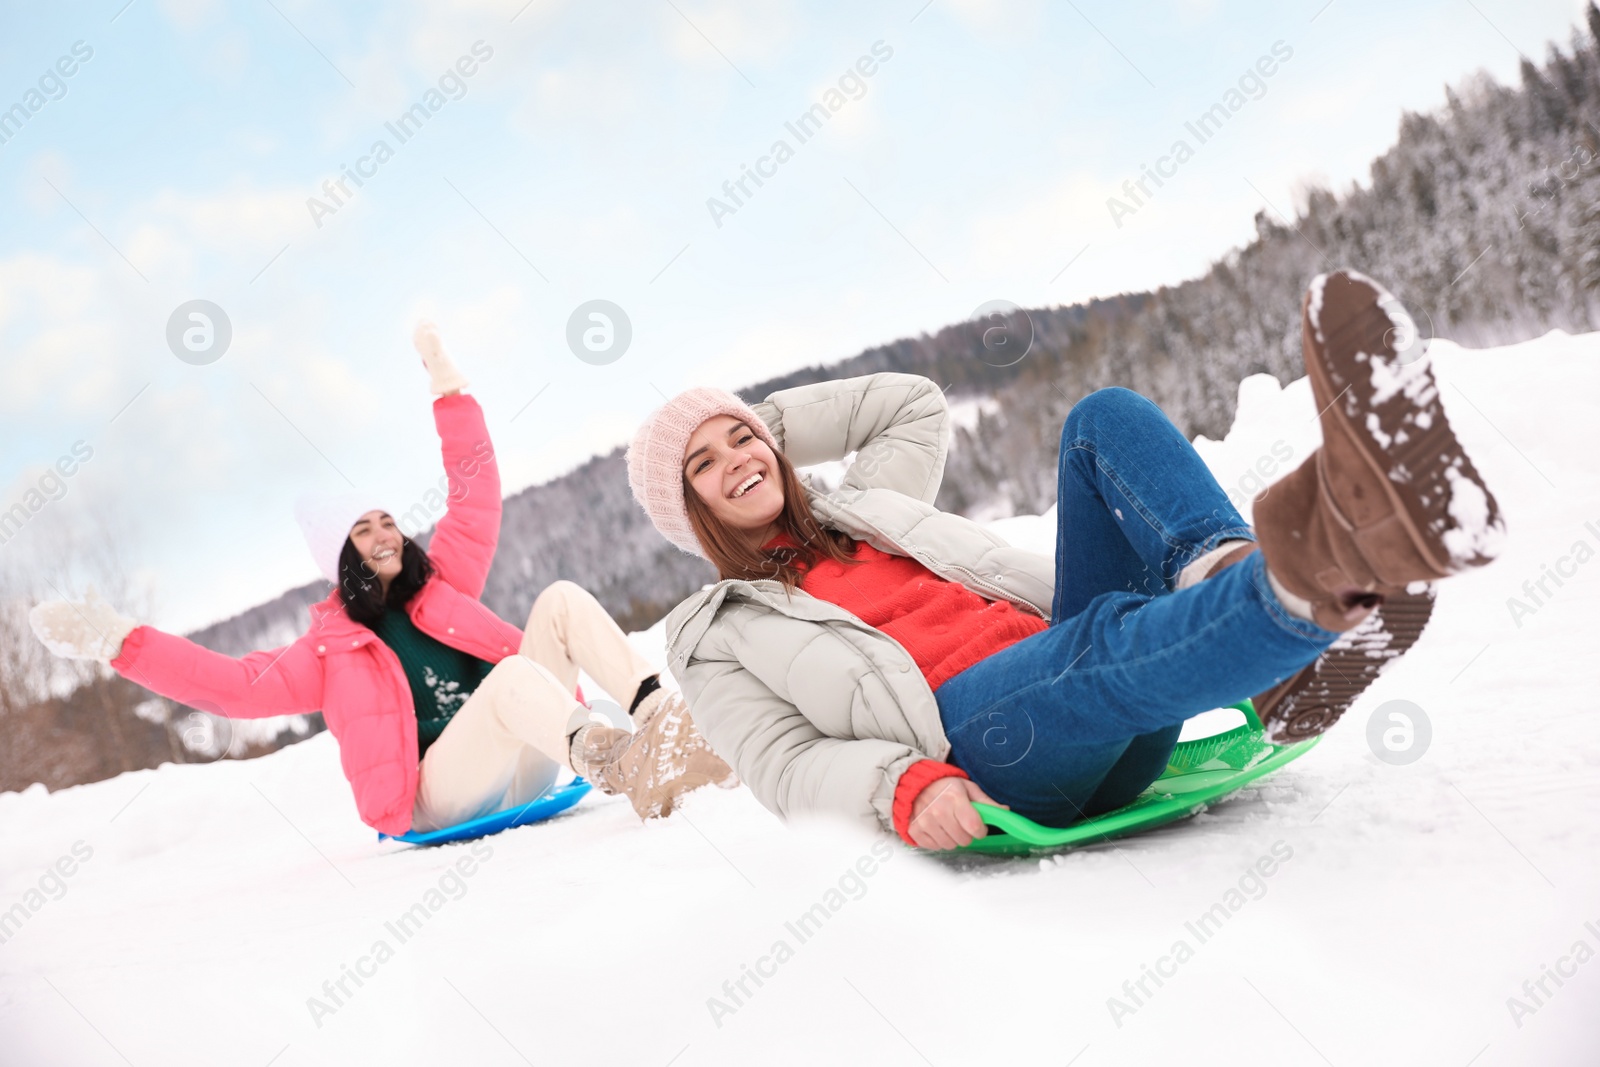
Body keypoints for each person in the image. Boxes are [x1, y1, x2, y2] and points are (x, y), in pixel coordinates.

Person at [625, 271, 1504, 850]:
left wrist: (761, 423)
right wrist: (902, 785)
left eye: (742, 438)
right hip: (986, 744)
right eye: (703, 464)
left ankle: (1231, 573)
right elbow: (782, 765)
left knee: (1101, 418)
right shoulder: (719, 630)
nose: (735, 459)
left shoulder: (865, 506)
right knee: (1098, 643)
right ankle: (1304, 592)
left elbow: (913, 406)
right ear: (688, 510)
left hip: (1087, 690)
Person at [29, 323, 733, 837]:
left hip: (526, 758)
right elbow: (230, 686)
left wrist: (450, 394)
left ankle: (662, 726)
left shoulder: (442, 582)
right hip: (437, 794)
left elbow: (475, 493)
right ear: (343, 559)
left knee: (559, 601)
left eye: (387, 520)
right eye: (363, 531)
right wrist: (122, 641)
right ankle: (626, 764)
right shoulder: (328, 652)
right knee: (514, 677)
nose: (384, 534)